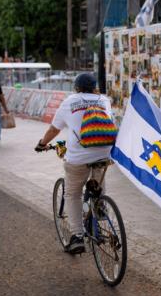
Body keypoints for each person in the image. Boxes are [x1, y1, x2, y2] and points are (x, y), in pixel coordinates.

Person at [34, 74, 113, 254]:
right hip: (104, 153)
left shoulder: (70, 101)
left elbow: (54, 129)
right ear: (95, 87)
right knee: (98, 183)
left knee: (72, 194)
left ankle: (77, 236)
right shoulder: (104, 100)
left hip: (78, 157)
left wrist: (42, 144)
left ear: (76, 88)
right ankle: (99, 212)